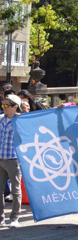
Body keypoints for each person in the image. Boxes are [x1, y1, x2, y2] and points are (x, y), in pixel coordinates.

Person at [0, 95, 23, 228]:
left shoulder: (20, 120)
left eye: (6, 105)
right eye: (3, 105)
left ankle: (14, 217)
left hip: (14, 160)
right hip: (1, 159)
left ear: (15, 106)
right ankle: (0, 218)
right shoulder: (1, 119)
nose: (4, 107)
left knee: (16, 190)